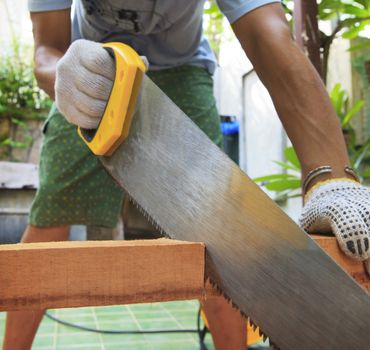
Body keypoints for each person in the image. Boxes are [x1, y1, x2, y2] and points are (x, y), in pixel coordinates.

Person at [3, 1, 369, 349]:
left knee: (218, 235)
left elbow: (267, 30)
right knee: (52, 214)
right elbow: (47, 50)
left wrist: (332, 177)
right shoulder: (82, 70)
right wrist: (64, 76)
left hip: (184, 68)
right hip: (91, 68)